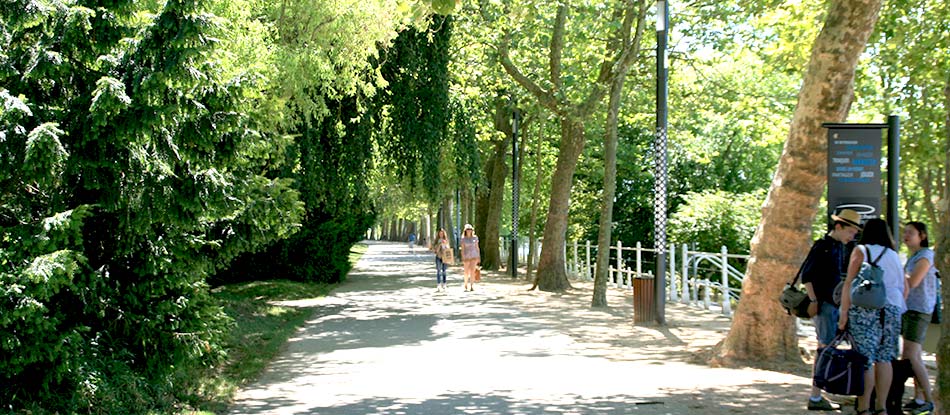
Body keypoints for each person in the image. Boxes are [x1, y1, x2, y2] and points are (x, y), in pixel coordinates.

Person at [838, 218, 906, 415]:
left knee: (865, 358)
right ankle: (881, 407)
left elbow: (849, 282)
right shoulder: (894, 255)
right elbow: (903, 286)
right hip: (892, 308)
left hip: (865, 308)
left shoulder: (862, 250)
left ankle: (863, 406)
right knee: (885, 358)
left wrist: (844, 314)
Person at [801, 209, 862, 411]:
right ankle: (816, 396)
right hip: (825, 304)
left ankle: (820, 393)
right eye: (850, 231)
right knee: (825, 348)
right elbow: (806, 276)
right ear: (839, 227)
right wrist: (814, 300)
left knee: (826, 348)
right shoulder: (823, 247)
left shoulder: (838, 247)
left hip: (832, 304)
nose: (852, 236)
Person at [900, 221, 937, 414]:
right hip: (909, 308)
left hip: (919, 310)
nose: (906, 236)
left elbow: (913, 281)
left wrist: (894, 274)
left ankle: (930, 400)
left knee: (912, 356)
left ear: (921, 235)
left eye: (910, 233)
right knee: (911, 356)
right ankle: (919, 398)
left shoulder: (925, 256)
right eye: (905, 232)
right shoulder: (913, 256)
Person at [460, 224, 480, 292]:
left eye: (470, 230)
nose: (469, 231)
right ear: (465, 231)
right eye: (468, 230)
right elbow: (462, 249)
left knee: (472, 271)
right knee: (466, 271)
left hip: (474, 256)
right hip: (466, 256)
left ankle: (472, 285)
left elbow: (477, 247)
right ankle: (465, 284)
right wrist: (462, 256)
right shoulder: (463, 239)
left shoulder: (475, 238)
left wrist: (478, 256)